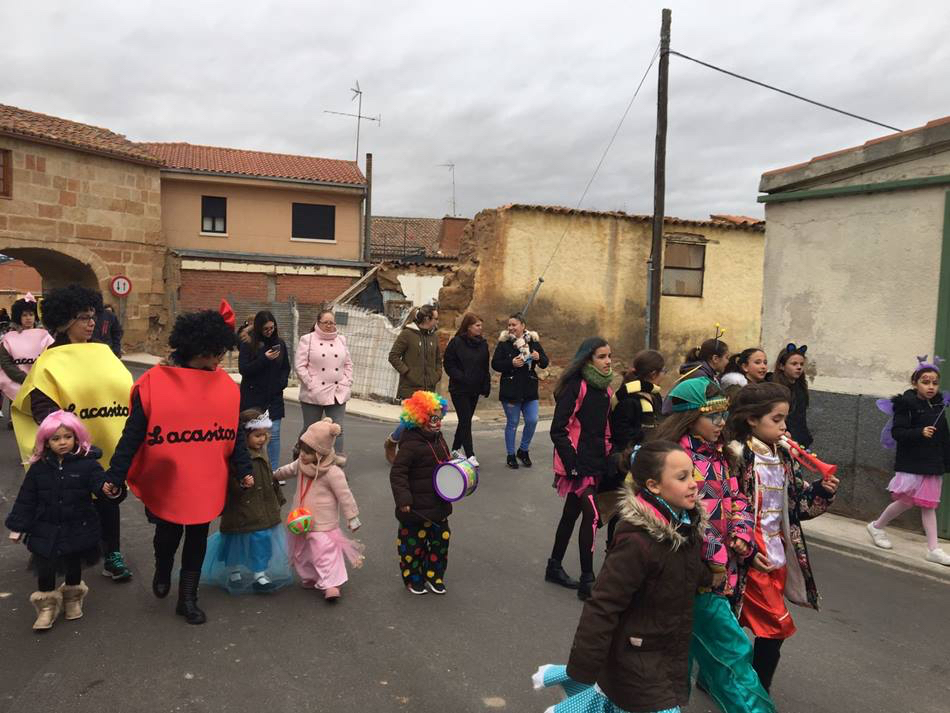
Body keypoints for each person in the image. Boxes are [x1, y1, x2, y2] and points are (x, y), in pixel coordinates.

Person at [532, 441, 710, 713]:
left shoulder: (686, 527)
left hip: (665, 652)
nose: (693, 483)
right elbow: (603, 605)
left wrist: (709, 575)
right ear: (653, 486)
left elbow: (681, 574)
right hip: (636, 658)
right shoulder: (637, 541)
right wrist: (584, 667)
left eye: (693, 474)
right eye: (682, 477)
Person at [106, 309, 252, 625]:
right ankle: (162, 566)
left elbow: (234, 431)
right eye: (217, 354)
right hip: (169, 480)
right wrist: (115, 475)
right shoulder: (154, 384)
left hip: (206, 480)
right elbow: (132, 435)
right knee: (168, 533)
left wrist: (244, 468)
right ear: (202, 351)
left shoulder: (225, 387)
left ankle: (188, 597)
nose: (220, 360)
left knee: (198, 536)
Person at [652, 378, 773, 712]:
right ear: (691, 417)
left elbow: (737, 498)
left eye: (723, 415)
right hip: (692, 576)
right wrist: (717, 559)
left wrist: (743, 536)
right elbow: (682, 519)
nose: (722, 423)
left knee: (703, 660)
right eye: (713, 416)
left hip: (720, 576)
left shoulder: (720, 454)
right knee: (728, 657)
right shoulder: (676, 461)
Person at [11, 284, 133, 582]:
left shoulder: (104, 352)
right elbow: (42, 404)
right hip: (69, 449)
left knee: (108, 498)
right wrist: (68, 438)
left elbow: (126, 390)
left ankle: (112, 552)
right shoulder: (50, 359)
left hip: (106, 444)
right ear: (65, 321)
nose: (92, 322)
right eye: (83, 317)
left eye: (93, 316)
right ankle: (60, 555)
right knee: (66, 503)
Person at [726, 382, 838, 693]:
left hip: (777, 550)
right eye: (776, 419)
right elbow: (725, 504)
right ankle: (758, 691)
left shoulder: (783, 456)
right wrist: (741, 544)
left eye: (785, 419)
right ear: (752, 419)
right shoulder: (737, 455)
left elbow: (796, 505)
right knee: (774, 625)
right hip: (748, 550)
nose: (784, 427)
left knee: (739, 623)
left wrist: (820, 491)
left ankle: (719, 679)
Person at [5, 410, 122, 631]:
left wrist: (109, 489)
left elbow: (99, 484)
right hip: (45, 528)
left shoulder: (87, 465)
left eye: (67, 437)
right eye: (56, 438)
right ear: (46, 442)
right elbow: (27, 497)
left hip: (78, 524)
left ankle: (72, 598)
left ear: (76, 438)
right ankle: (47, 606)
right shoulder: (39, 468)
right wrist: (18, 526)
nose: (62, 442)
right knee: (45, 567)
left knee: (73, 564)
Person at [866, 357, 950, 565]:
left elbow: (944, 435)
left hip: (932, 463)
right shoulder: (906, 404)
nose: (930, 386)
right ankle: (876, 526)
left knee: (929, 506)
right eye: (925, 381)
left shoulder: (939, 405)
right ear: (915, 383)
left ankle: (933, 548)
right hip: (911, 462)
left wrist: (946, 460)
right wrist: (920, 432)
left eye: (934, 382)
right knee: (905, 501)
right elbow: (898, 433)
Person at [547, 338, 613, 600]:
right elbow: (558, 429)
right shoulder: (577, 386)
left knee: (571, 514)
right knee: (593, 516)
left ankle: (554, 565)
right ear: (588, 359)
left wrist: (608, 457)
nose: (608, 361)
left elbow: (605, 429)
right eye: (602, 356)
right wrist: (571, 464)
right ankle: (588, 578)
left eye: (609, 356)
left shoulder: (606, 391)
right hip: (576, 465)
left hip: (595, 463)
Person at [201, 408, 294, 594]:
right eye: (257, 435)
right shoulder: (237, 457)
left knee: (261, 539)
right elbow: (227, 482)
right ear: (244, 435)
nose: (262, 439)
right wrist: (241, 485)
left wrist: (277, 497)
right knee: (237, 539)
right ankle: (234, 571)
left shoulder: (262, 452)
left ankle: (260, 574)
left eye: (265, 434)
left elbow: (269, 477)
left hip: (262, 505)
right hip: (242, 506)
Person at [274, 418, 363, 601]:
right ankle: (311, 577)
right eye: (301, 450)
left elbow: (344, 495)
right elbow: (287, 470)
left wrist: (352, 517)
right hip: (300, 519)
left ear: (320, 452)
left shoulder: (332, 472)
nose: (302, 455)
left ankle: (331, 584)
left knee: (325, 552)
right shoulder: (301, 463)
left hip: (323, 522)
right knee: (303, 551)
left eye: (308, 452)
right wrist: (273, 475)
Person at [389, 391, 453, 595]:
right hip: (414, 509)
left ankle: (435, 576)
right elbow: (398, 473)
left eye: (439, 417)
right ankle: (413, 578)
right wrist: (404, 500)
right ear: (419, 418)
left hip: (438, 505)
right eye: (432, 418)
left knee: (440, 544)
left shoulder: (439, 439)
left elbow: (446, 465)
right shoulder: (410, 444)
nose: (437, 423)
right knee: (412, 547)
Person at [491, 312, 549, 469]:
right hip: (511, 389)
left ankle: (523, 450)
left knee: (532, 420)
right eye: (509, 325)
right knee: (513, 423)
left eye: (514, 325)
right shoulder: (504, 343)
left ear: (523, 326)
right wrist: (511, 363)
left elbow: (544, 362)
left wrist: (537, 357)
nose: (510, 328)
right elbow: (495, 364)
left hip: (529, 389)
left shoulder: (533, 342)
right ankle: (511, 455)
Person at [384, 305, 441, 463]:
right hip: (410, 387)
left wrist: (437, 374)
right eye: (435, 318)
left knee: (425, 422)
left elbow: (437, 359)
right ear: (427, 319)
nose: (437, 321)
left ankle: (414, 454)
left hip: (429, 387)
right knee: (411, 421)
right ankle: (392, 442)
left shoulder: (434, 336)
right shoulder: (407, 334)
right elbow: (393, 356)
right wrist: (407, 372)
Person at [295, 308, 354, 453]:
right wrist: (310, 384)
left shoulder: (341, 339)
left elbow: (348, 363)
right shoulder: (307, 339)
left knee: (337, 429)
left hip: (337, 391)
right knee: (311, 427)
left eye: (332, 323)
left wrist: (347, 381)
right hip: (314, 392)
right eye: (326, 322)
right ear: (318, 323)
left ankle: (337, 466)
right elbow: (300, 365)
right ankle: (300, 453)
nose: (330, 326)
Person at [239, 311, 290, 470]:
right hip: (253, 397)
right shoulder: (249, 344)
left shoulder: (279, 343)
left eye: (272, 328)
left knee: (273, 435)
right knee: (253, 435)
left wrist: (281, 384)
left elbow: (285, 368)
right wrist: (264, 359)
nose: (269, 331)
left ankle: (273, 472)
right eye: (266, 328)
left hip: (273, 396)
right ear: (259, 328)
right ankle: (251, 469)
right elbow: (244, 369)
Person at [0, 294, 54, 430]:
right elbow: (6, 363)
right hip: (17, 379)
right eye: (24, 315)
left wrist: (37, 376)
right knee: (17, 401)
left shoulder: (45, 336)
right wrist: (23, 377)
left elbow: (51, 357)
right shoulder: (9, 338)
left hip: (39, 380)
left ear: (35, 316)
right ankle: (15, 418)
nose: (28, 318)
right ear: (19, 317)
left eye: (31, 314)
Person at [443, 312, 491, 458]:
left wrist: (485, 384)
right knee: (465, 420)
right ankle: (470, 455)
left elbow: (484, 366)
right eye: (477, 325)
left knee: (465, 420)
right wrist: (461, 377)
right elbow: (448, 364)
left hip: (474, 389)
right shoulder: (456, 342)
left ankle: (455, 449)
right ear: (468, 327)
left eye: (481, 325)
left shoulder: (482, 344)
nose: (480, 328)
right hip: (459, 388)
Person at [609, 348, 665, 451]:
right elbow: (622, 435)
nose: (664, 374)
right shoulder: (627, 398)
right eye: (663, 371)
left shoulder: (655, 395)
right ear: (653, 374)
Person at [771, 343, 812, 448]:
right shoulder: (773, 388)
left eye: (801, 364)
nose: (799, 367)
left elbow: (800, 418)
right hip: (782, 439)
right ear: (781, 366)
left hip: (799, 440)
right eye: (794, 364)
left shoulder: (800, 387)